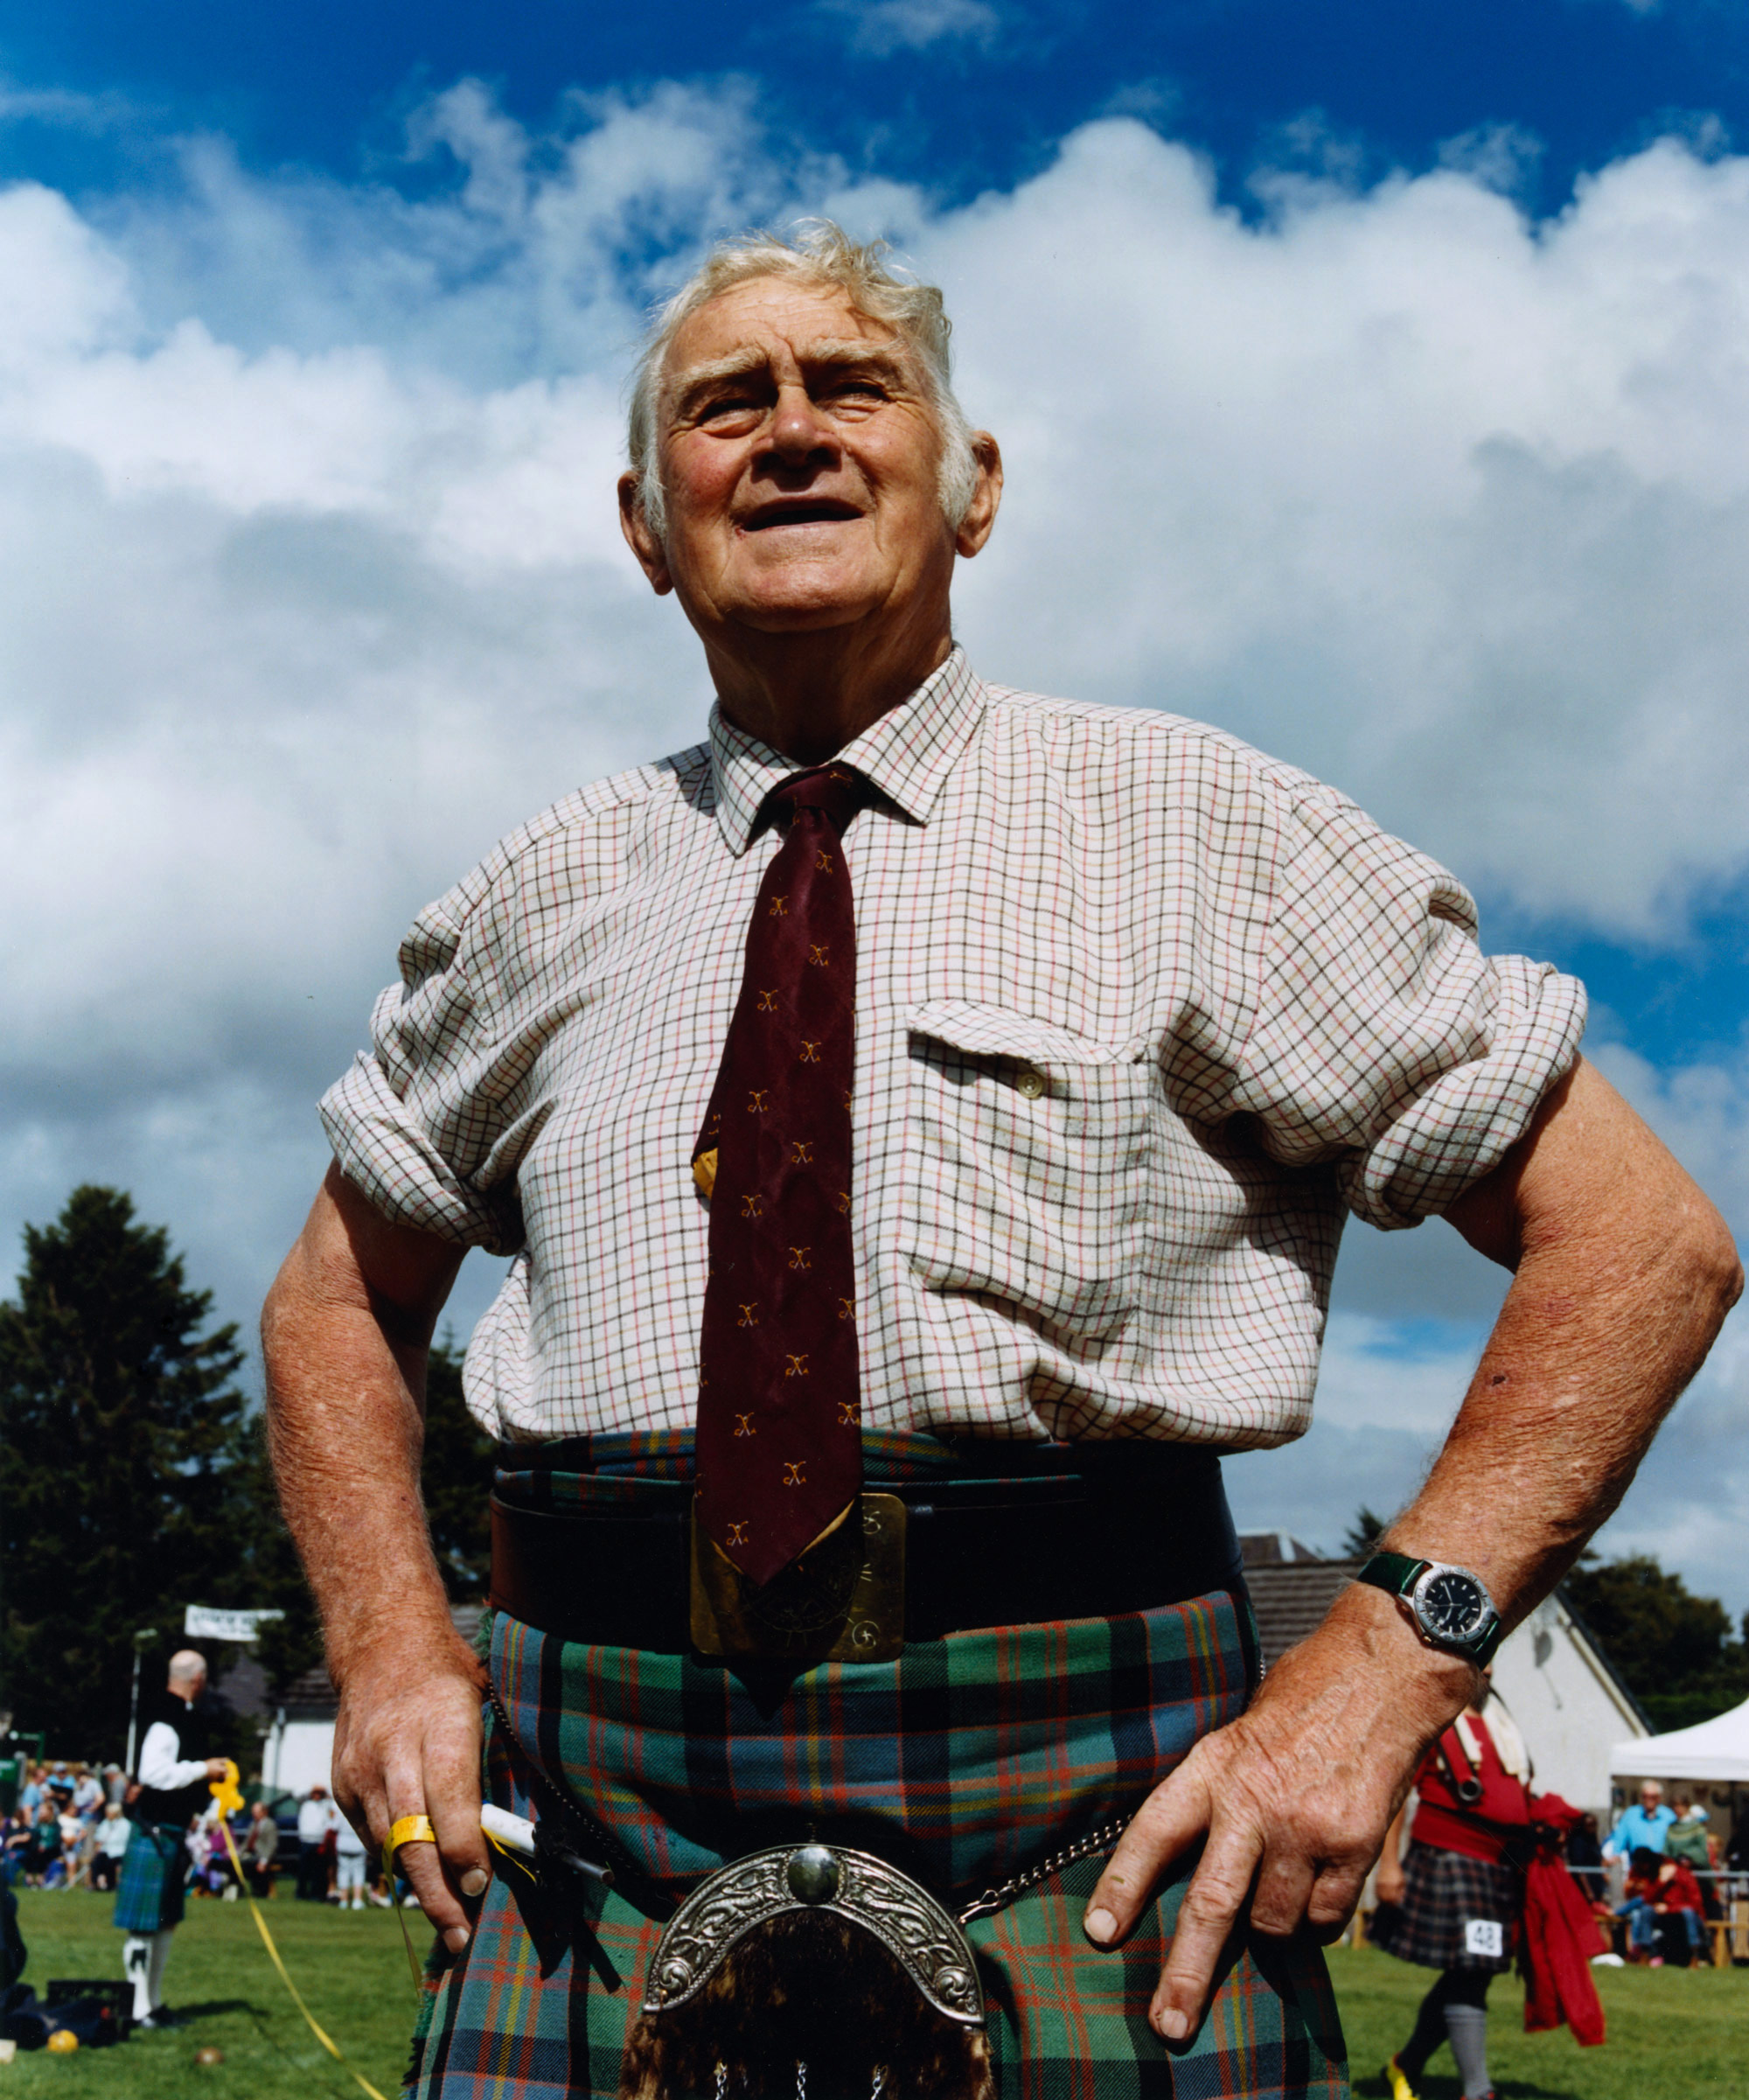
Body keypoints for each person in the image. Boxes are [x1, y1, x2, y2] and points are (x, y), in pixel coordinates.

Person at [262, 223, 1742, 2098]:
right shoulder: (540, 887)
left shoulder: (1200, 823)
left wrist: (1383, 1670)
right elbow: (334, 1295)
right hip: (592, 1864)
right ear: (646, 524)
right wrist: (393, 1645)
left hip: (1081, 1847)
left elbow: (1639, 1240)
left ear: (971, 490)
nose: (791, 432)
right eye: (727, 406)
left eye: (850, 388)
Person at [1374, 1680, 1536, 2100]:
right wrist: (1389, 1865)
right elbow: (1397, 1792)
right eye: (1476, 1659)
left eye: (1489, 1659)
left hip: (1497, 1867)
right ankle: (1478, 2091)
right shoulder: (1432, 1711)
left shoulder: (1500, 1718)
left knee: (1472, 1974)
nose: (1483, 1668)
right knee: (1470, 1973)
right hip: (1449, 1859)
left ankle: (1405, 2065)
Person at [114, 1649, 229, 2029]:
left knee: (164, 1923)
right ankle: (136, 2007)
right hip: (154, 1834)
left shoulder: (183, 1717)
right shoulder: (167, 1717)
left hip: (172, 1834)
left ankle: (154, 2003)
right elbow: (153, 1773)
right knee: (145, 1924)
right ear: (198, 1679)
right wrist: (203, 1769)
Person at [1602, 1778, 1676, 1861]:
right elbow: (1619, 1837)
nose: (1649, 1800)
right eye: (1645, 1796)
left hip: (1662, 1866)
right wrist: (1615, 1855)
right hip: (1637, 1866)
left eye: (1653, 1797)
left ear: (1659, 1798)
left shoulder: (1669, 1815)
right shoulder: (1631, 1814)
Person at [296, 1786, 337, 1901]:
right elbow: (297, 1794)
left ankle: (316, 1894)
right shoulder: (305, 1804)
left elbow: (334, 1800)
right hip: (305, 1840)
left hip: (319, 1841)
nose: (317, 1795)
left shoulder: (325, 1805)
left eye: (319, 1793)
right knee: (303, 1870)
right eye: (315, 1793)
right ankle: (301, 1893)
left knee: (318, 1871)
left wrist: (325, 1789)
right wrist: (313, 1786)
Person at [240, 1801, 280, 1898]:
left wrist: (264, 1861)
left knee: (252, 1864)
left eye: (256, 1812)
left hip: (262, 1856)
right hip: (250, 1854)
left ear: (264, 1812)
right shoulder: (253, 1825)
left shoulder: (270, 1825)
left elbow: (272, 1845)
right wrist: (237, 1853)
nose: (254, 1814)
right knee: (234, 1864)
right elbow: (246, 1842)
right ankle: (236, 1891)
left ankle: (259, 1892)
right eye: (253, 1812)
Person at [91, 1803, 131, 1894]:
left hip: (119, 1851)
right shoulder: (105, 1822)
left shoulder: (125, 1824)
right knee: (95, 1863)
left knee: (110, 1864)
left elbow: (124, 1839)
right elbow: (99, 1836)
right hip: (105, 1849)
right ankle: (95, 1884)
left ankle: (111, 1885)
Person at [334, 1814, 370, 1911]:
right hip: (357, 1843)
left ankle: (343, 1900)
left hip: (344, 1843)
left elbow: (333, 1825)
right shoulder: (360, 1811)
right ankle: (357, 1900)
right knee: (358, 1873)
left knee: (343, 1872)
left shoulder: (341, 1810)